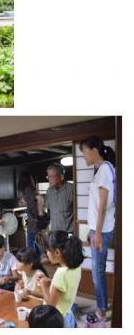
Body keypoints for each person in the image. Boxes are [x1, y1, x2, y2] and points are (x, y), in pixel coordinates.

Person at [80, 136, 116, 320]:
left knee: (97, 271)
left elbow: (103, 205)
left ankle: (102, 309)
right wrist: (91, 231)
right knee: (98, 270)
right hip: (97, 229)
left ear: (94, 151)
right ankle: (102, 306)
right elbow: (95, 206)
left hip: (102, 229)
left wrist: (98, 234)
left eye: (85, 152)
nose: (84, 156)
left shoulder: (104, 170)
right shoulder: (100, 169)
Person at [35, 230, 84, 327]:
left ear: (57, 252)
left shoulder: (60, 274)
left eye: (48, 250)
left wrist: (43, 286)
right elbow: (66, 285)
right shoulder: (76, 267)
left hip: (58, 319)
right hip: (68, 313)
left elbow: (51, 308)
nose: (47, 253)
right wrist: (50, 281)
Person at [17, 171, 45, 253]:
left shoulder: (28, 190)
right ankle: (39, 257)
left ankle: (32, 259)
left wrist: (37, 217)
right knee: (35, 239)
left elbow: (35, 202)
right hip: (35, 218)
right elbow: (37, 200)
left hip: (34, 219)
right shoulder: (30, 190)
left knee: (31, 240)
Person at [45, 163, 74, 233]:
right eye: (48, 177)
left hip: (69, 233)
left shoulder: (71, 189)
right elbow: (49, 213)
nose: (49, 179)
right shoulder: (49, 191)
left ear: (61, 177)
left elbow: (79, 213)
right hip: (54, 233)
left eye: (52, 176)